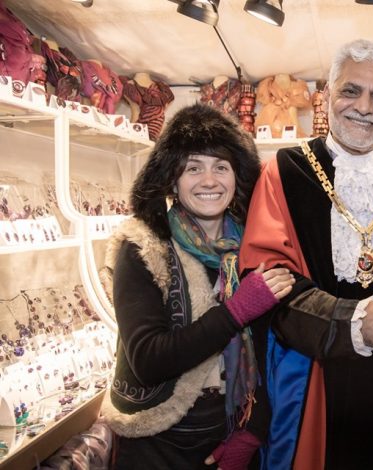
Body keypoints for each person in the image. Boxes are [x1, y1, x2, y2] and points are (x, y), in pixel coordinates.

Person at [240, 39, 373, 470]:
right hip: (315, 376)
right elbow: (267, 281)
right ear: (327, 96)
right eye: (350, 91)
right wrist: (353, 321)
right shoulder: (285, 170)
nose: (364, 107)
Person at [101, 103, 295, 470]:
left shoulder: (252, 250)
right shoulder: (142, 245)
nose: (209, 181)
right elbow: (148, 360)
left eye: (221, 167)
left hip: (228, 427)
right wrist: (236, 311)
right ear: (172, 179)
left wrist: (251, 432)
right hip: (155, 442)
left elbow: (273, 353)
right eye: (194, 168)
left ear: (237, 178)